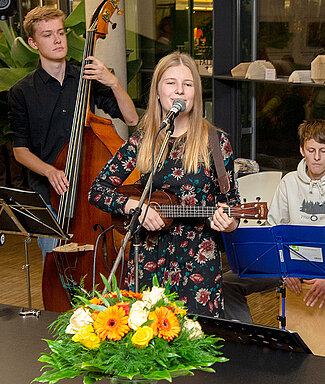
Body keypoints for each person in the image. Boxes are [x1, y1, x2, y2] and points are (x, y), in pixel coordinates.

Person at [89, 51, 240, 317]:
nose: (179, 91)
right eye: (171, 83)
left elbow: (232, 204)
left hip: (198, 265)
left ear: (196, 92)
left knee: (195, 347)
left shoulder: (216, 142)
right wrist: (135, 206)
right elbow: (97, 190)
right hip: (148, 259)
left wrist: (230, 222)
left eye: (188, 84)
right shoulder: (145, 139)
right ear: (158, 92)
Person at [223, 119, 325, 358]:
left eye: (323, 151)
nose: (317, 157)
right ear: (301, 150)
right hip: (292, 262)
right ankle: (247, 347)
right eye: (311, 150)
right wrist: (286, 268)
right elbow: (274, 228)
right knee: (226, 283)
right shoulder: (289, 182)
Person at [8, 6, 139, 259]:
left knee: (97, 265)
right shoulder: (21, 92)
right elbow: (20, 151)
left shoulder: (87, 77)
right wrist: (49, 171)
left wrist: (113, 83)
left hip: (90, 196)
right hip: (49, 197)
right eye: (48, 35)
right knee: (57, 267)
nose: (57, 40)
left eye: (60, 32)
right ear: (33, 43)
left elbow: (131, 117)